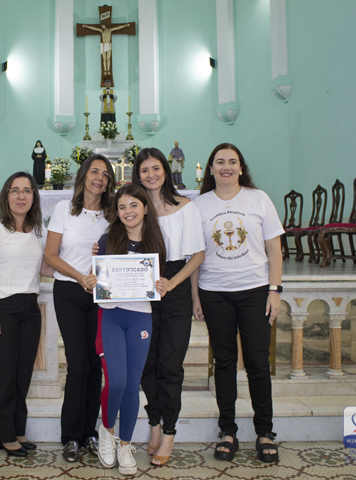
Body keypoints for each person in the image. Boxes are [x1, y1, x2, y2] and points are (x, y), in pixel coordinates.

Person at [192, 143, 283, 463]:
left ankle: (265, 431)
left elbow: (274, 248)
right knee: (225, 362)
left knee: (258, 362)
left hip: (255, 291)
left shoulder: (258, 199)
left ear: (241, 168)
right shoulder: (199, 205)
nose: (226, 167)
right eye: (220, 162)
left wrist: (274, 290)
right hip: (214, 292)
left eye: (232, 161)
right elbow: (195, 255)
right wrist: (195, 296)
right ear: (211, 169)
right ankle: (227, 430)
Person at [132, 148, 205, 465]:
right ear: (138, 175)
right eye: (144, 170)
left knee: (171, 363)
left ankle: (171, 431)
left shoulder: (185, 207)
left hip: (174, 286)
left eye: (156, 168)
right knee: (147, 362)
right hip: (142, 286)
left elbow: (198, 255)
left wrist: (180, 288)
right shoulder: (137, 208)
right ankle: (155, 423)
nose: (151, 175)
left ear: (166, 170)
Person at [44, 154, 116, 462]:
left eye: (105, 174)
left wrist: (97, 272)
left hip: (102, 294)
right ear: (84, 175)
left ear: (109, 182)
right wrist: (80, 277)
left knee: (96, 364)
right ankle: (71, 436)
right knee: (78, 364)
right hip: (70, 292)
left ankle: (89, 432)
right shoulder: (64, 209)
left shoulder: (113, 214)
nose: (99, 178)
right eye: (94, 172)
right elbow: (50, 255)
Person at [0, 172, 49, 457]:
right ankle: (4, 435)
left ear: (33, 197)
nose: (21, 196)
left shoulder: (37, 229)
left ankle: (17, 429)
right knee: (2, 375)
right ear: (6, 195)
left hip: (29, 310)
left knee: (21, 375)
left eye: (27, 190)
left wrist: (82, 271)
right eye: (15, 190)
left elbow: (44, 268)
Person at [95, 184, 168, 476]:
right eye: (122, 207)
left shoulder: (155, 242)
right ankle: (107, 431)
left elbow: (159, 280)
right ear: (116, 212)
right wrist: (91, 280)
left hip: (140, 318)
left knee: (131, 383)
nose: (128, 212)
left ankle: (125, 445)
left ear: (145, 208)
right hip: (111, 317)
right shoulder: (106, 240)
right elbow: (97, 278)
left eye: (134, 205)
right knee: (115, 382)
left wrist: (162, 285)